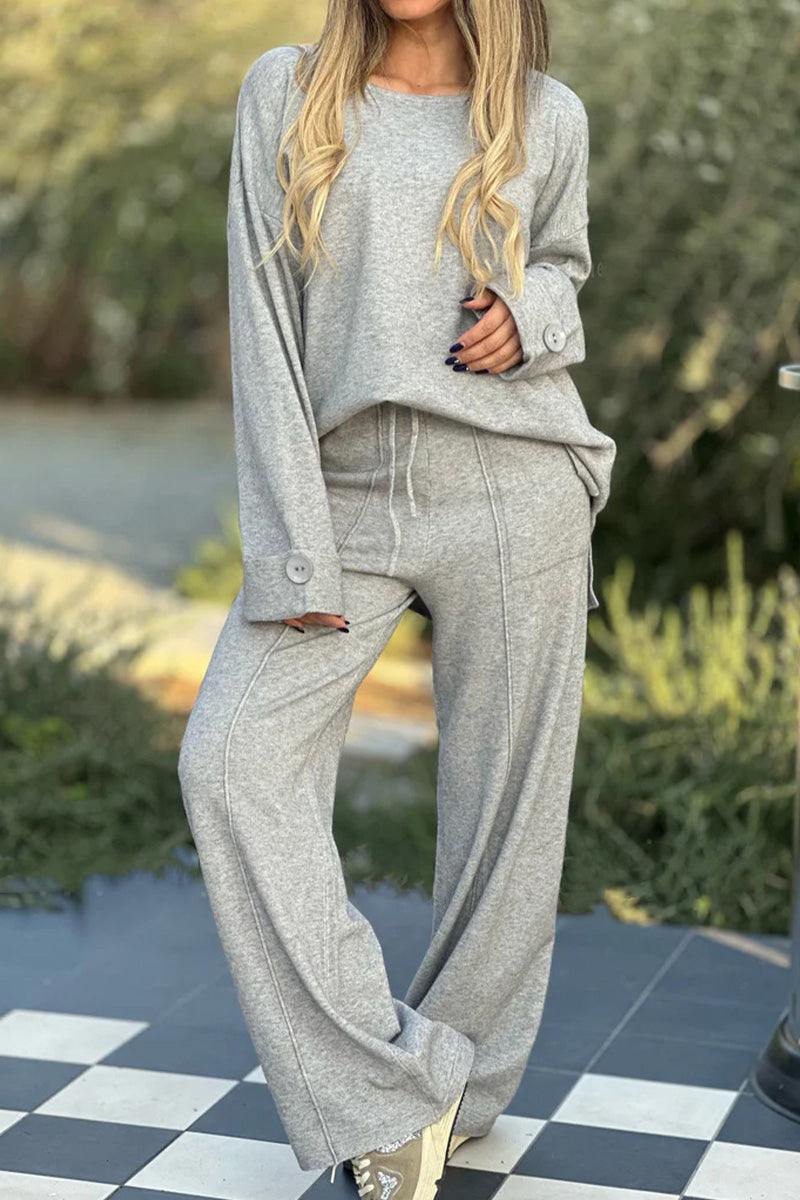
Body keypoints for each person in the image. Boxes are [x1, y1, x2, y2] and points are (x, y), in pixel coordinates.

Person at [177, 1, 617, 1196]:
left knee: (502, 820)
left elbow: (564, 267)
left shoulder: (545, 114)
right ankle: (391, 1084)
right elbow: (264, 329)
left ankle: (452, 1108)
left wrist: (528, 315)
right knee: (231, 760)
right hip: (346, 490)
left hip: (514, 478)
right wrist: (292, 551)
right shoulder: (288, 92)